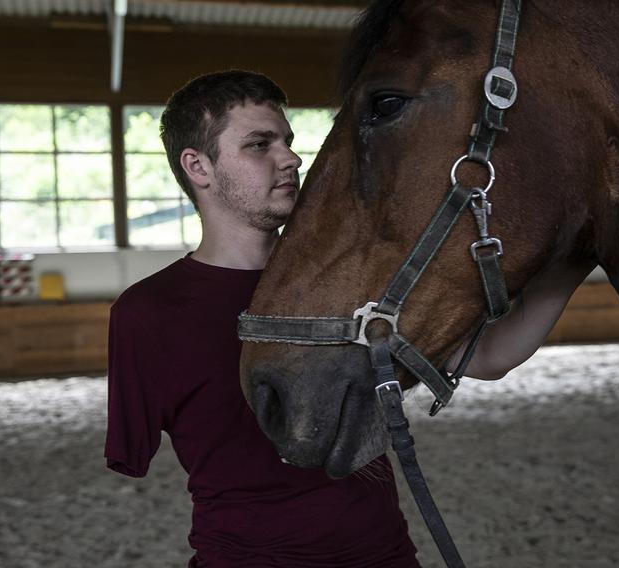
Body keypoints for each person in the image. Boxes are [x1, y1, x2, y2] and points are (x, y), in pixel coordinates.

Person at [105, 70, 420, 568]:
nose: (292, 158)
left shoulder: (349, 282)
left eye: (288, 142)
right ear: (199, 167)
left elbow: (489, 358)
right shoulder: (146, 315)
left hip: (386, 557)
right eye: (259, 144)